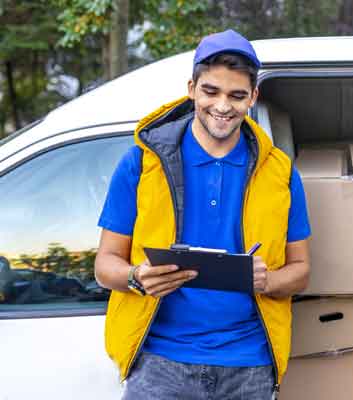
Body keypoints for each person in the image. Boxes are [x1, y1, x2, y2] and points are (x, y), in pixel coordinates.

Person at [94, 29, 311, 400]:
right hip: (159, 363)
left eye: (237, 95)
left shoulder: (280, 172)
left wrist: (266, 282)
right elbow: (105, 265)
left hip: (248, 366)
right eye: (211, 91)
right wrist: (137, 277)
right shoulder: (141, 164)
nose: (223, 106)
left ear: (253, 97)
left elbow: (301, 271)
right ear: (192, 88)